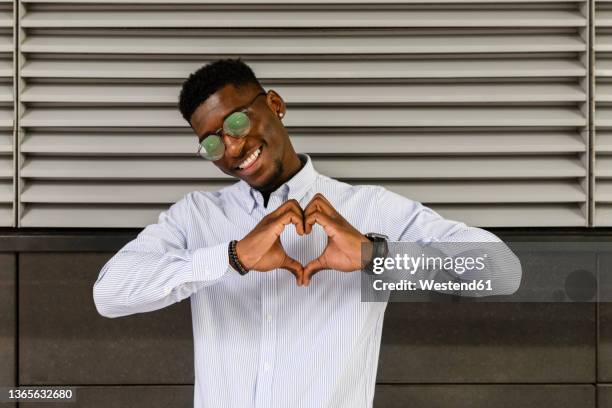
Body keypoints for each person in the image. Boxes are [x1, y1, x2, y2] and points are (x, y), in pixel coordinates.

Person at [93, 58, 521, 408]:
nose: (233, 149)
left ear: (275, 105)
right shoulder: (197, 217)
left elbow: (502, 272)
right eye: (212, 144)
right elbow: (109, 295)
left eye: (237, 123)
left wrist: (376, 255)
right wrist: (231, 257)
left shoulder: (368, 208)